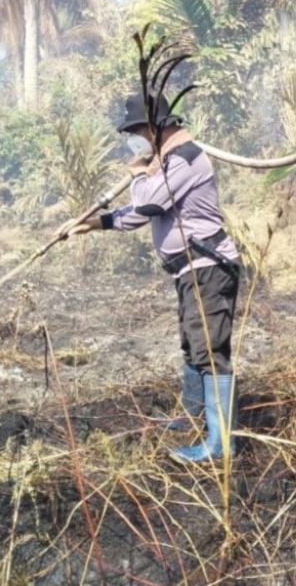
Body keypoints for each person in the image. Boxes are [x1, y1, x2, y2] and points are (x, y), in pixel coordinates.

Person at [67, 92, 241, 464]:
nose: (133, 139)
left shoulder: (186, 158)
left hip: (209, 266)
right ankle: (193, 415)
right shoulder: (165, 163)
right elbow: (134, 215)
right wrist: (91, 224)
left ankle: (221, 443)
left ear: (157, 127)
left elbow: (149, 203)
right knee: (192, 343)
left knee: (210, 349)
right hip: (188, 269)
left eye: (137, 131)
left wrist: (139, 172)